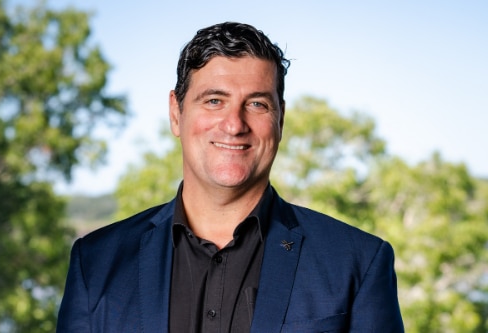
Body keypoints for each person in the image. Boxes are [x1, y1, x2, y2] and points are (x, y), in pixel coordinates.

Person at [57, 22, 404, 332]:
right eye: (213, 101)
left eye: (257, 104)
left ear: (280, 120)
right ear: (176, 114)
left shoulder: (357, 263)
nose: (235, 124)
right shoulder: (96, 261)